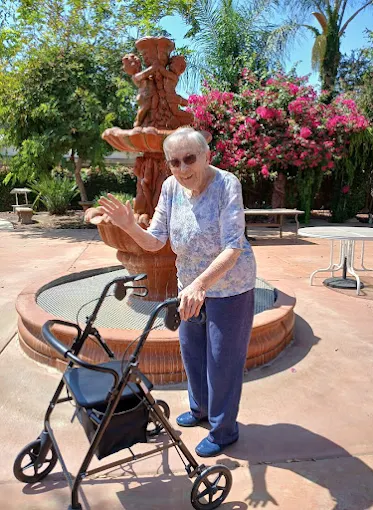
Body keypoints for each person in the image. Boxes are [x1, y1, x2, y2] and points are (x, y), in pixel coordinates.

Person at [90, 127, 256, 457]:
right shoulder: (170, 187)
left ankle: (224, 429)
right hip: (189, 288)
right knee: (192, 352)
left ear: (206, 155)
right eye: (174, 162)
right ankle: (200, 411)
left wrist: (200, 285)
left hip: (230, 289)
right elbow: (155, 242)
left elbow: (234, 246)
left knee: (222, 362)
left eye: (189, 159)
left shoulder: (226, 185)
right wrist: (128, 226)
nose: (181, 169)